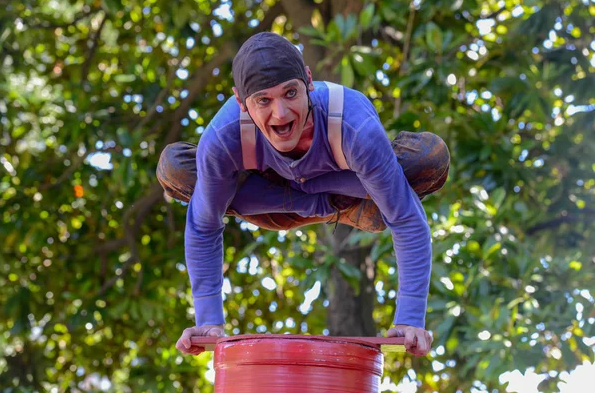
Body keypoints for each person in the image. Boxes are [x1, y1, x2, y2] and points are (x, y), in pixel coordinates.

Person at [156, 32, 449, 357]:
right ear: (241, 102)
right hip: (271, 203)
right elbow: (204, 225)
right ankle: (317, 201)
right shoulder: (224, 138)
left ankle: (337, 204)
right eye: (263, 101)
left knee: (429, 156)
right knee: (176, 167)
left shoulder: (353, 127)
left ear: (309, 81)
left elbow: (406, 218)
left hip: (358, 197)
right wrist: (209, 319)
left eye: (290, 93)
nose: (280, 114)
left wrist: (410, 318)